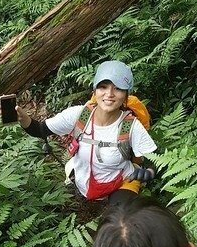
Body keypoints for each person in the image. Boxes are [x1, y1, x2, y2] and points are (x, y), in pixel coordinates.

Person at [16, 60, 157, 204]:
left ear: (126, 95)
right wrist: (22, 117)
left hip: (122, 182)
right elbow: (40, 130)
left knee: (120, 215)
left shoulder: (131, 126)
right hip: (84, 182)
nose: (109, 94)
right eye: (103, 87)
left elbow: (155, 159)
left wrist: (149, 172)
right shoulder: (79, 115)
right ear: (95, 91)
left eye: (118, 88)